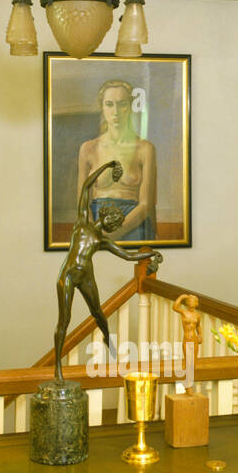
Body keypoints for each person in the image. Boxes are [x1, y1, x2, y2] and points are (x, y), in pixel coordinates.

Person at [54, 161, 162, 381]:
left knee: (98, 312)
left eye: (115, 222)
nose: (112, 221)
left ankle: (106, 338)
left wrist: (153, 254)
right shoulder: (82, 222)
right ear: (105, 214)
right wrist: (107, 166)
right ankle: (57, 364)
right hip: (68, 275)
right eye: (112, 217)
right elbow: (86, 188)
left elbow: (129, 255)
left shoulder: (104, 241)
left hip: (86, 276)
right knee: (64, 320)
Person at [77, 80, 158, 241]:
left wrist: (114, 233)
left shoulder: (145, 148)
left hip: (135, 223)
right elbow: (82, 201)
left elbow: (146, 204)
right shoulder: (88, 148)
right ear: (102, 108)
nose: (116, 112)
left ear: (130, 107)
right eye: (109, 104)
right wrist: (96, 232)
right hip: (96, 225)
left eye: (122, 104)